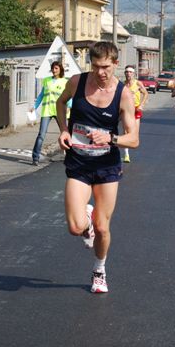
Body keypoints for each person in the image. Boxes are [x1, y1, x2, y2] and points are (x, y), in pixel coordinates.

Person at [55, 41, 139, 294]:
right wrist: (63, 130)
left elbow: (134, 139)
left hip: (106, 167)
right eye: (95, 66)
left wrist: (111, 138)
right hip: (79, 162)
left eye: (105, 67)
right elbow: (60, 103)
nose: (100, 72)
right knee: (75, 227)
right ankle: (87, 224)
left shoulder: (123, 94)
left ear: (115, 64)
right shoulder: (77, 82)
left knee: (103, 227)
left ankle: (99, 270)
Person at [31, 60, 68, 166]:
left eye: (56, 68)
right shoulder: (47, 80)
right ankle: (35, 157)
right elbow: (41, 95)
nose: (54, 70)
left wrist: (70, 107)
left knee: (65, 133)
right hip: (47, 110)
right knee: (41, 135)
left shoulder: (64, 82)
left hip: (59, 111)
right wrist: (34, 107)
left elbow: (68, 97)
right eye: (53, 68)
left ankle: (69, 156)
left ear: (60, 69)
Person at [121, 64, 148, 163]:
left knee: (135, 133)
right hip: (126, 109)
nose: (128, 74)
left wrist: (142, 104)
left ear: (134, 74)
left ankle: (129, 145)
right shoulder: (122, 84)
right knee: (126, 131)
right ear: (125, 73)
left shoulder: (138, 83)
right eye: (127, 72)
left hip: (136, 108)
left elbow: (145, 93)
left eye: (130, 72)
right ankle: (126, 154)